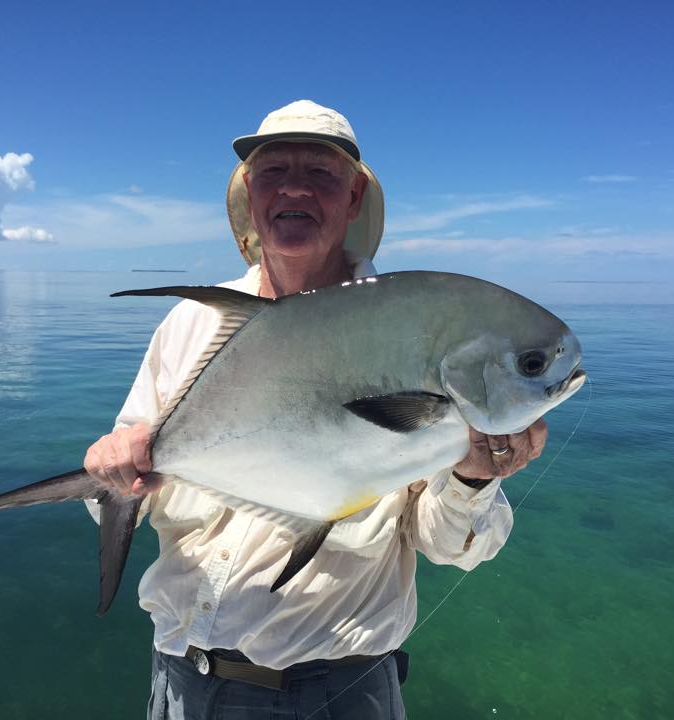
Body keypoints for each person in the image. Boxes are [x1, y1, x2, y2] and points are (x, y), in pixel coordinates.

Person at [83, 100, 548, 719]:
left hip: (334, 695)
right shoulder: (190, 324)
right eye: (273, 171)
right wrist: (108, 473)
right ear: (251, 193)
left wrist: (472, 477)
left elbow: (454, 547)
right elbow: (119, 494)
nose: (295, 188)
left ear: (353, 198)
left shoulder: (415, 334)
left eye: (321, 174)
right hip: (179, 683)